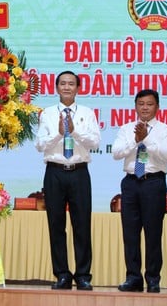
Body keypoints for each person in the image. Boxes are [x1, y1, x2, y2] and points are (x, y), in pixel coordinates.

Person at [35, 70, 101, 290]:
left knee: (82, 224)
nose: (66, 87)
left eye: (71, 84)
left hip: (79, 172)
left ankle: (83, 275)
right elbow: (40, 144)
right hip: (54, 172)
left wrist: (75, 131)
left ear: (78, 88)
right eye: (62, 83)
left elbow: (95, 142)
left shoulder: (87, 112)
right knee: (56, 225)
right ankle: (62, 274)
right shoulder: (47, 114)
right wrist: (59, 133)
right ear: (56, 87)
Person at [112, 89, 167, 293]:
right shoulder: (126, 128)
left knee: (153, 233)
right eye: (141, 104)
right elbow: (116, 153)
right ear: (135, 106)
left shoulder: (165, 130)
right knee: (130, 233)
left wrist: (146, 139)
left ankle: (153, 278)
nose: (145, 107)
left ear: (157, 107)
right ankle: (133, 278)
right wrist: (136, 139)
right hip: (131, 183)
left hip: (153, 183)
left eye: (149, 104)